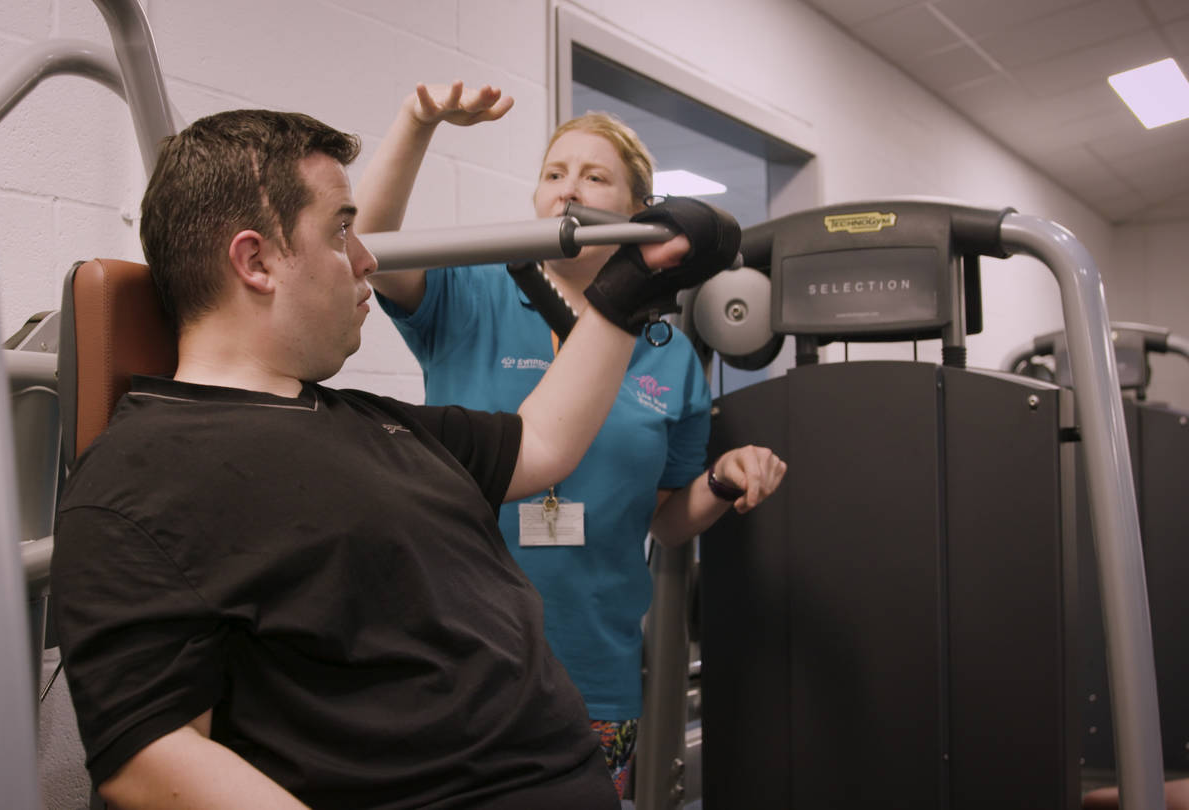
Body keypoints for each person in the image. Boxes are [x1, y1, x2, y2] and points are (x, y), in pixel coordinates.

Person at [51, 108, 729, 810]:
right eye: (342, 232)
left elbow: (543, 444)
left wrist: (630, 288)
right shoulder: (139, 479)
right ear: (254, 261)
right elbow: (148, 754)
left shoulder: (373, 421)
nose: (369, 258)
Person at [356, 82, 787, 795]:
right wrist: (417, 121)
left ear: (640, 213)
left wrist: (720, 480)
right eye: (553, 173)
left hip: (593, 671)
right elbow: (369, 247)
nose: (568, 189)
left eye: (594, 176)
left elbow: (667, 520)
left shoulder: (667, 351)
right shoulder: (473, 294)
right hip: (455, 657)